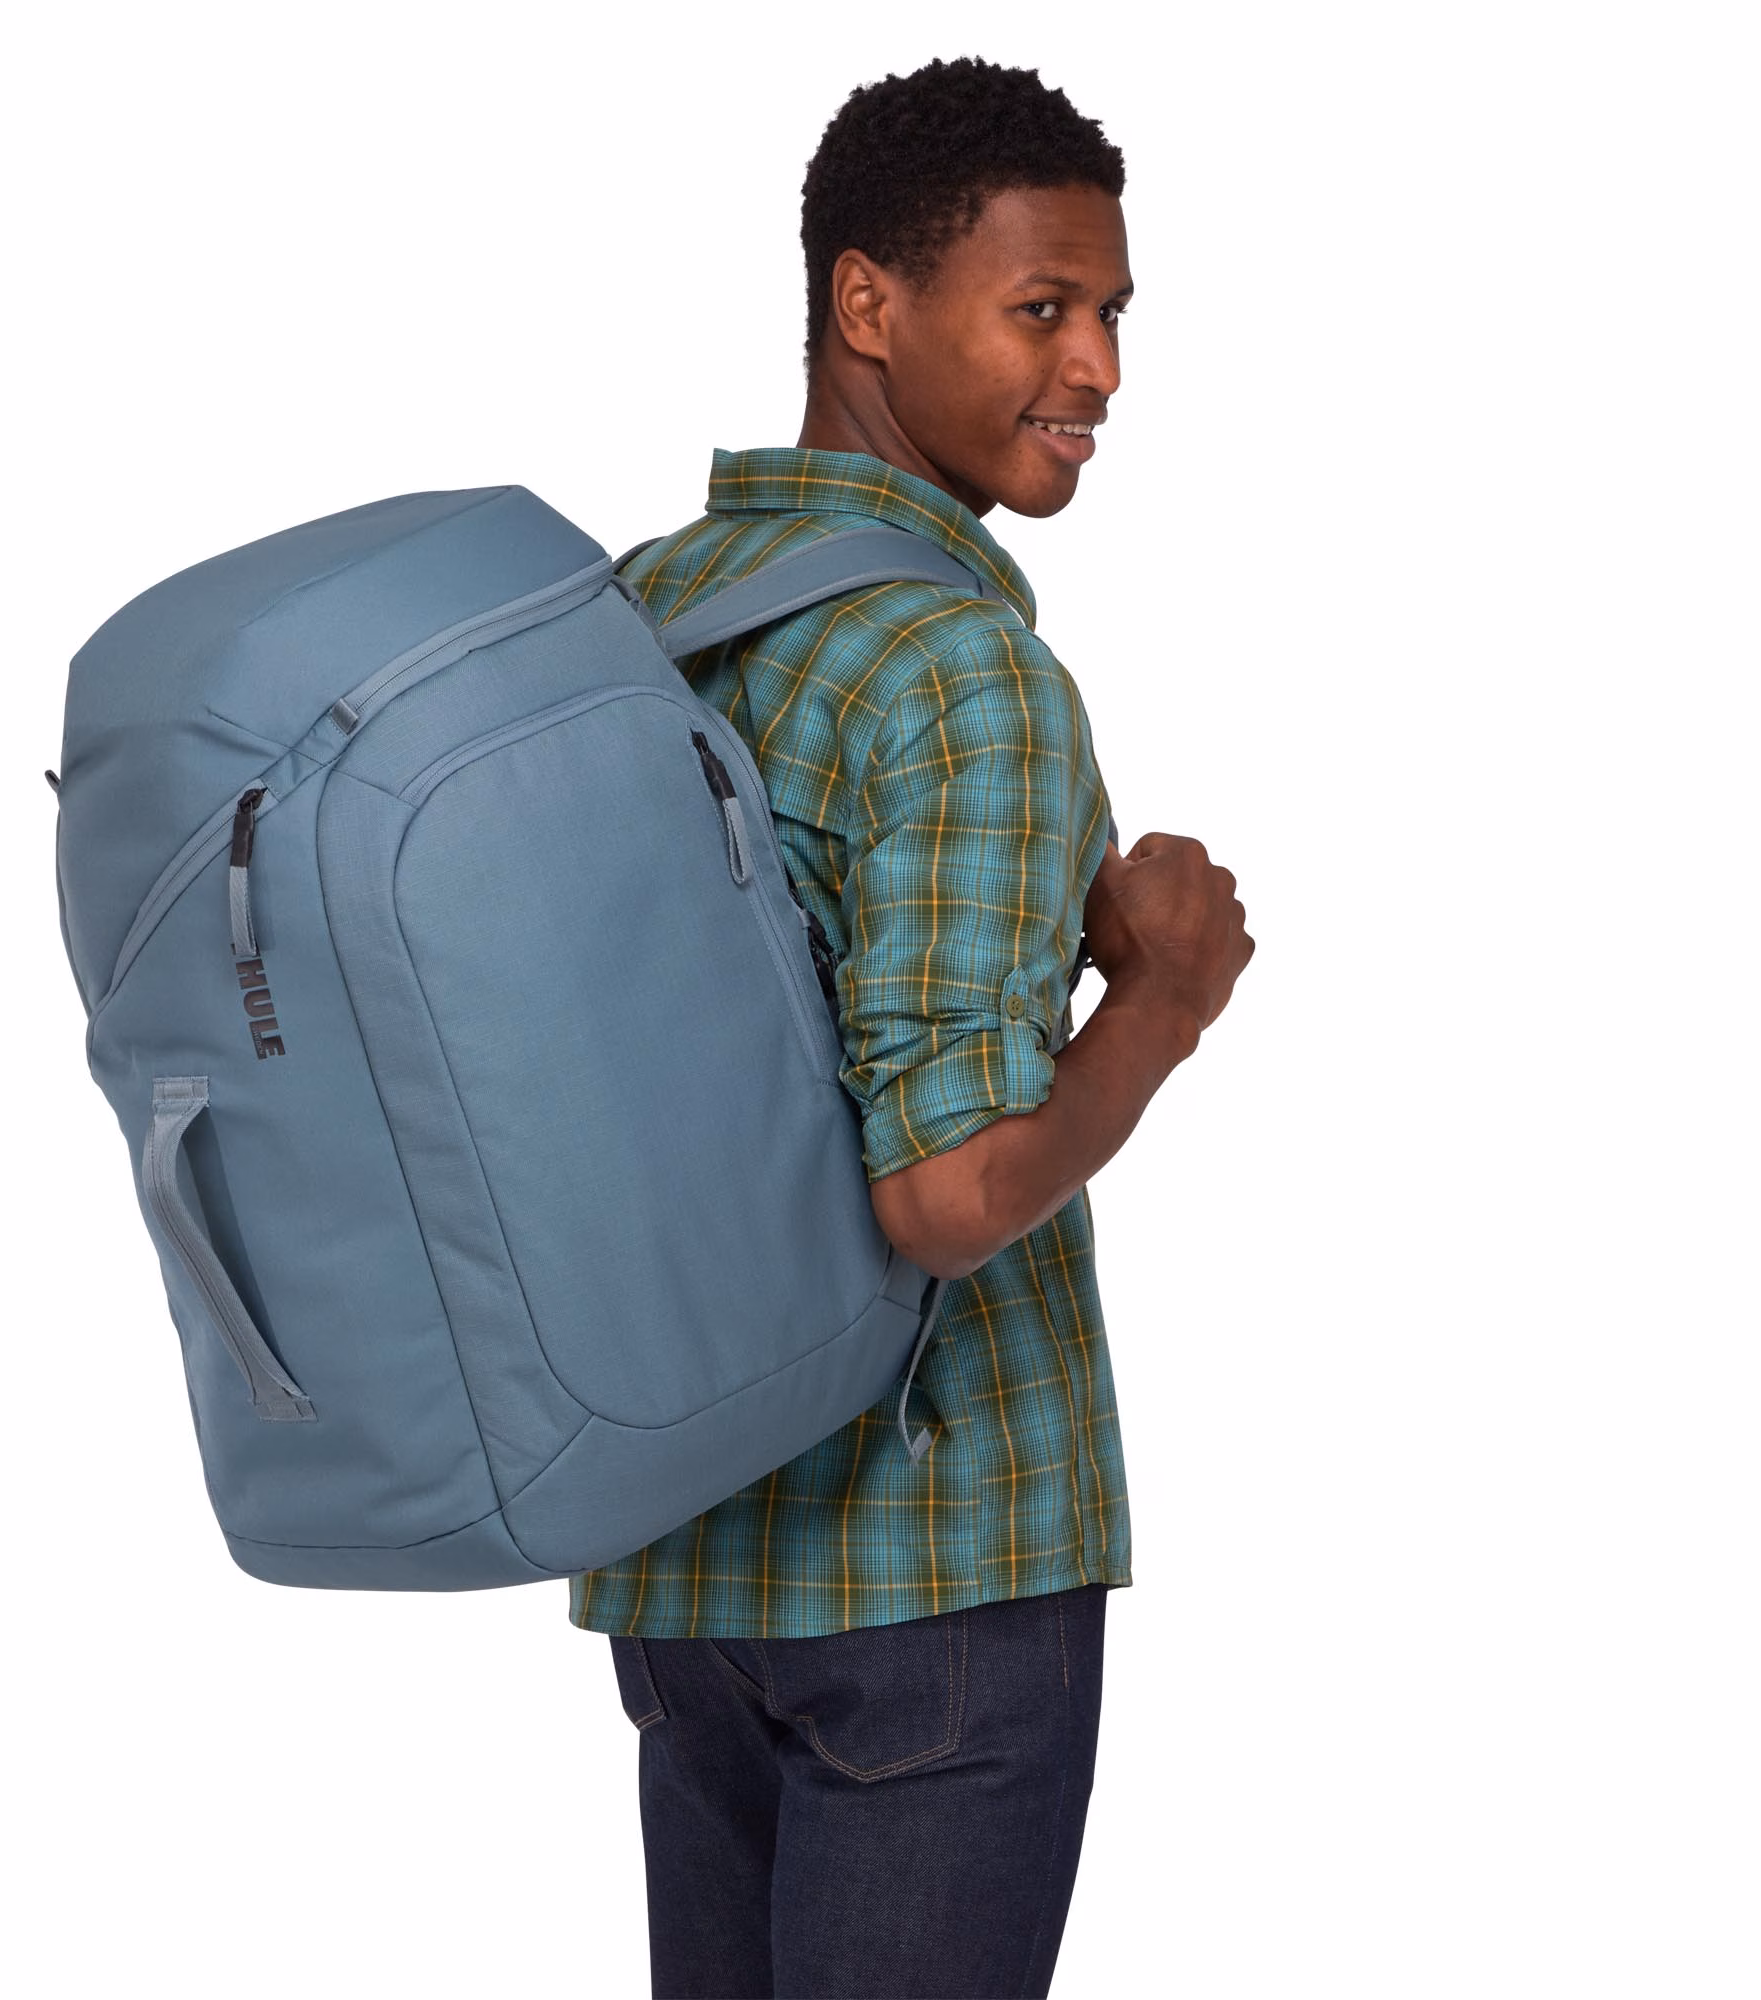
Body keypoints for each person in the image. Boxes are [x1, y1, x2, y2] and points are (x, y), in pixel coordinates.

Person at [579, 57, 1257, 1999]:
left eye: (1111, 312)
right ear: (867, 304)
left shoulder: (645, 613)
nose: (1098, 367)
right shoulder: (964, 671)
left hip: (688, 1549)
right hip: (939, 1566)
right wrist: (1161, 1004)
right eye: (1042, 308)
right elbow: (946, 1191)